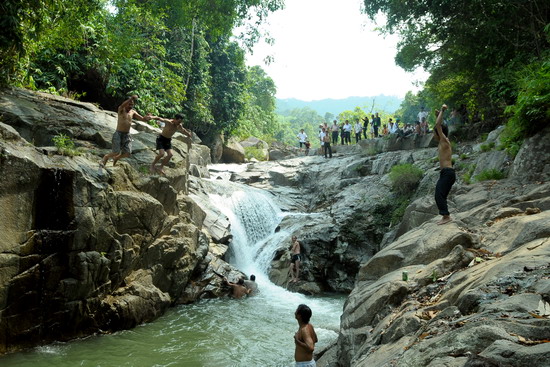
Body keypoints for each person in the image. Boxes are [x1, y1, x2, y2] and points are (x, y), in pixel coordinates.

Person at [100, 95, 152, 167]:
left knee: (128, 153)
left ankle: (116, 158)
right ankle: (106, 157)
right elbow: (122, 105)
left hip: (127, 135)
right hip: (118, 133)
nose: (131, 106)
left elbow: (142, 119)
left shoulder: (133, 112)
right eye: (129, 104)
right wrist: (131, 98)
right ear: (126, 103)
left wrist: (148, 117)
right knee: (116, 152)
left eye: (132, 104)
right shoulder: (121, 109)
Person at [433, 104, 456, 225]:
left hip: (448, 173)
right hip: (446, 173)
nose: (433, 135)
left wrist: (442, 110)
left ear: (439, 133)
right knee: (441, 194)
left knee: (439, 194)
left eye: (434, 133)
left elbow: (438, 126)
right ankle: (445, 215)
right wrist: (438, 115)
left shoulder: (444, 140)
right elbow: (439, 125)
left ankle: (446, 216)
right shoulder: (443, 141)